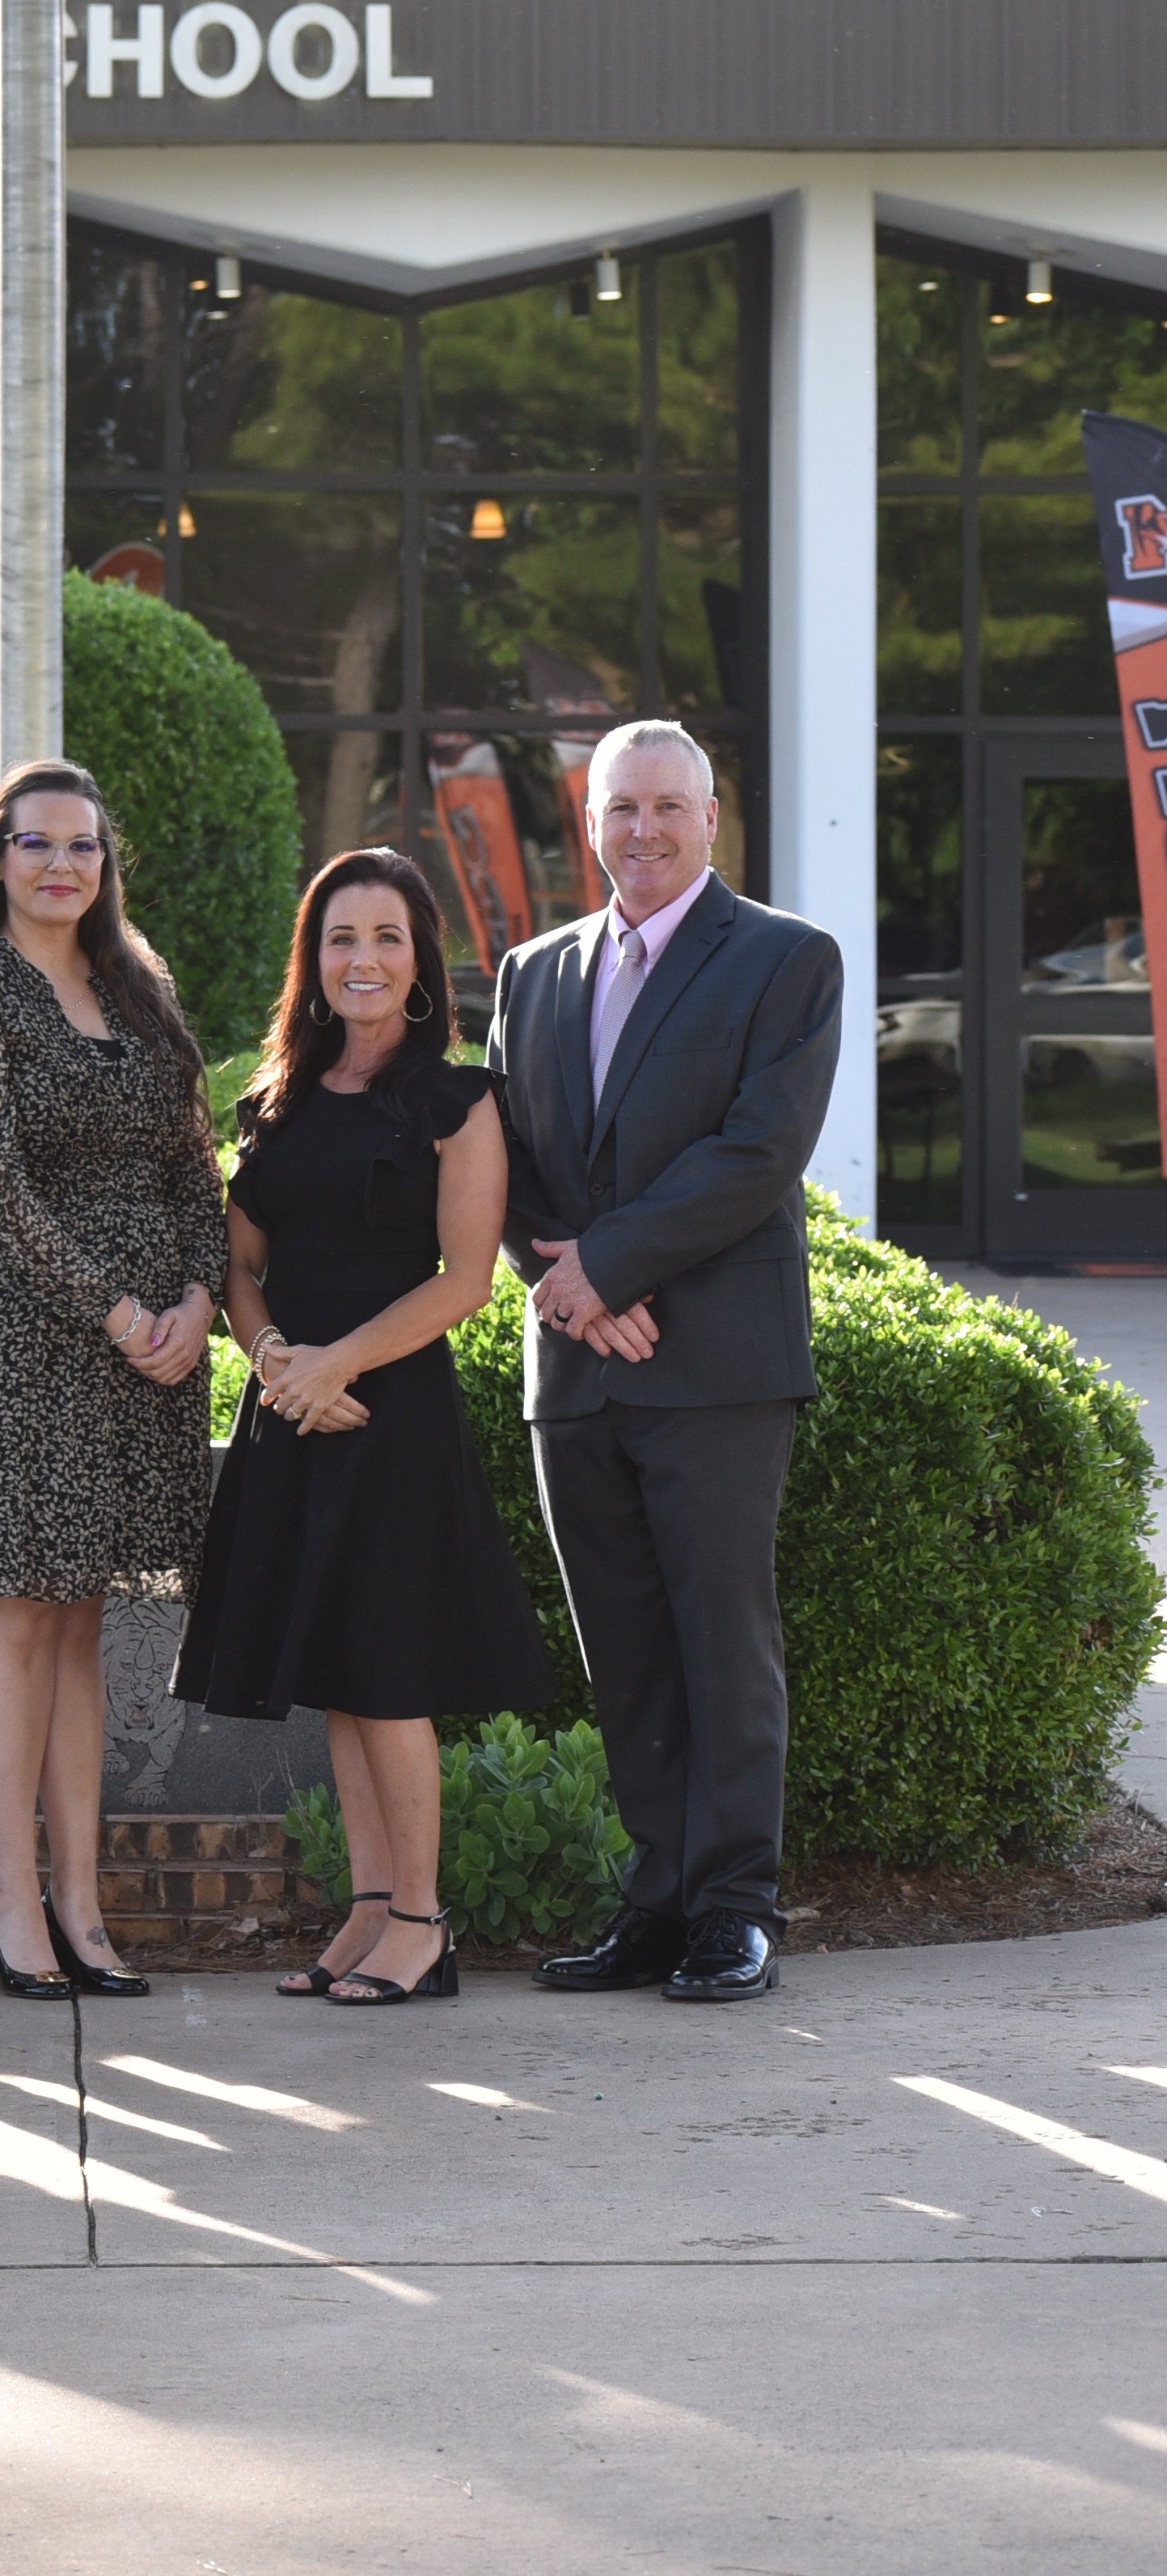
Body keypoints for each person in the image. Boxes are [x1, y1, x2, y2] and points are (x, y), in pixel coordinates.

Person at [488, 719, 844, 2005]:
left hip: (718, 1368)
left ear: (710, 819)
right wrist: (567, 1292)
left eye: (667, 806)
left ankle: (735, 1911)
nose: (643, 829)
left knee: (721, 1640)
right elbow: (512, 1163)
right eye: (619, 808)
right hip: (579, 1369)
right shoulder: (531, 971)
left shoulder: (787, 960)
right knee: (625, 1647)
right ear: (589, 826)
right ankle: (654, 1903)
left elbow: (758, 1152)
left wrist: (611, 1267)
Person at [0, 761, 225, 2003]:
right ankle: (12, 1902)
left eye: (84, 845)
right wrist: (119, 1307)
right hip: (21, 1331)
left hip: (147, 1352)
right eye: (37, 844)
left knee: (86, 1617)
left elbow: (192, 1167)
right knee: (20, 1609)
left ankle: (82, 1901)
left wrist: (196, 1301)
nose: (63, 865)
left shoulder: (140, 990)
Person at [174, 849, 554, 2007]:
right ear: (315, 959)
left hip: (391, 1415)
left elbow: (467, 1280)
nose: (365, 961)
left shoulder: (460, 1099)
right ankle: (373, 1910)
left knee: (390, 1680)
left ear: (420, 959)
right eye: (342, 939)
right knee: (338, 1679)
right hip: (296, 1409)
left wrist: (337, 1363)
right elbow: (238, 1263)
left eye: (387, 938)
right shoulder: (275, 1098)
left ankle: (426, 1923)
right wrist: (274, 1358)